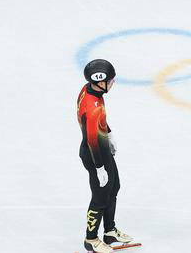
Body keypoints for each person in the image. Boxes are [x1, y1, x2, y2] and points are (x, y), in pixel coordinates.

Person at [76, 59, 133, 253]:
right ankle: (91, 239)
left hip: (102, 148)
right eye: (110, 81)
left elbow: (99, 123)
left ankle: (109, 231)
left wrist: (108, 133)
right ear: (99, 82)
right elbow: (92, 140)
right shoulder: (92, 106)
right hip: (95, 154)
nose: (112, 83)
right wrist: (99, 168)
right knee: (100, 197)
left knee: (114, 186)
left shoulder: (91, 90)